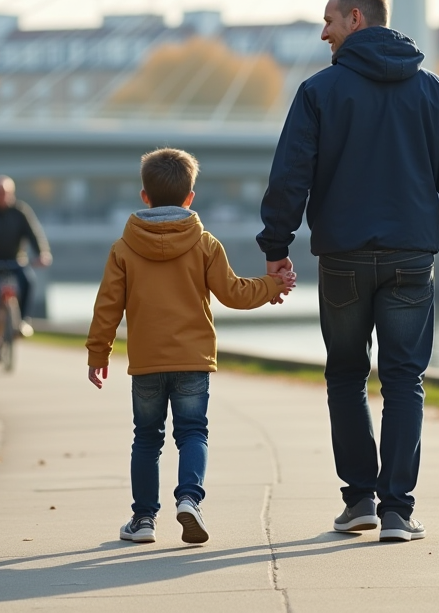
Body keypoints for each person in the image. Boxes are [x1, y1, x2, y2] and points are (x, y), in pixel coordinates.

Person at [257, 0, 439, 543]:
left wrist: (276, 248)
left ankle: (359, 501)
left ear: (356, 18)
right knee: (405, 380)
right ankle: (398, 512)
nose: (324, 31)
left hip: (343, 257)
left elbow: (291, 174)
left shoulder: (319, 92)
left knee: (347, 376)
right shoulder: (435, 91)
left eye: (329, 20)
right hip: (411, 255)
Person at [85, 148, 294, 545]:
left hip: (146, 363)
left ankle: (144, 520)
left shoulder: (124, 248)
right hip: (193, 361)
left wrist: (99, 353)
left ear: (144, 196)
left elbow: (107, 306)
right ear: (190, 197)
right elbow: (233, 293)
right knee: (193, 433)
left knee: (147, 437)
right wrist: (273, 286)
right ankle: (189, 500)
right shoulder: (204, 244)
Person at [0, 176, 51, 361]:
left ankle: (23, 321)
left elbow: (33, 233)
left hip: (15, 261)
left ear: (11, 193)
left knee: (28, 281)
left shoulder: (21, 212)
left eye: (5, 193)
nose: (1, 196)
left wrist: (42, 253)